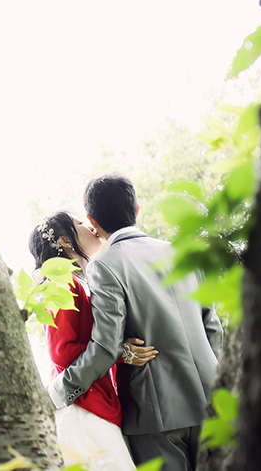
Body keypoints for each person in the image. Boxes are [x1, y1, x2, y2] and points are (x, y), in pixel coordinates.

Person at [47, 173, 223, 471]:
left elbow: (105, 346)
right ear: (137, 209)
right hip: (212, 402)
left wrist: (59, 390)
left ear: (92, 221)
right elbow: (213, 329)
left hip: (154, 414)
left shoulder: (104, 266)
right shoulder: (181, 251)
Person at [30, 210, 157, 471]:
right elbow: (61, 352)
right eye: (79, 223)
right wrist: (119, 351)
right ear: (65, 241)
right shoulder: (61, 281)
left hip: (97, 400)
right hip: (82, 409)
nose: (89, 225)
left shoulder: (81, 282)